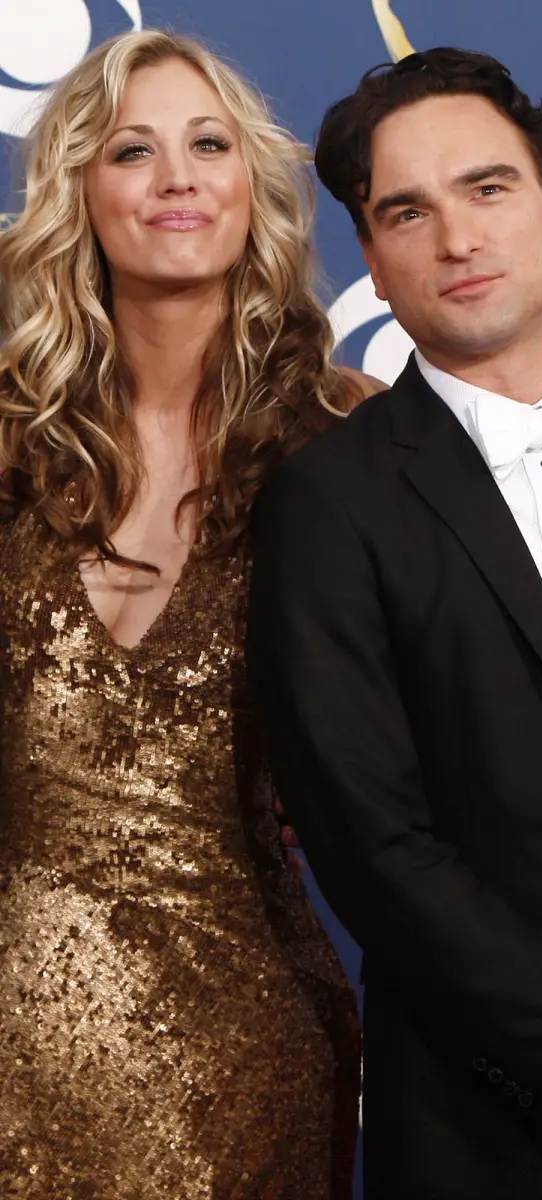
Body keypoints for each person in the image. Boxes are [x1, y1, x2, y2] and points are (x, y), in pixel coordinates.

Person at [0, 29, 382, 1198]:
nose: (176, 177)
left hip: (250, 1052)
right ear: (80, 193)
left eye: (209, 145)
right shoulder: (9, 443)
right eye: (133, 151)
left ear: (251, 185)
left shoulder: (350, 438)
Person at [245, 48, 542, 1199]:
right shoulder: (327, 501)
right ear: (373, 263)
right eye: (409, 212)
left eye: (488, 188)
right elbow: (373, 846)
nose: (457, 238)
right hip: (493, 1125)